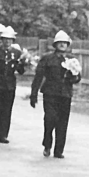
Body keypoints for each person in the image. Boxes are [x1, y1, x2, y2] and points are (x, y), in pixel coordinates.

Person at [30, 30, 81, 158]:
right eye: (60, 43)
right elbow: (39, 76)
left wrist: (73, 77)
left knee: (62, 123)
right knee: (50, 119)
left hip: (65, 94)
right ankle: (47, 144)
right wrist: (33, 94)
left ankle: (59, 150)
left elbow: (78, 77)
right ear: (55, 44)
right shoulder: (47, 58)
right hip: (50, 93)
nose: (62, 45)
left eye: (65, 43)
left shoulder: (72, 60)